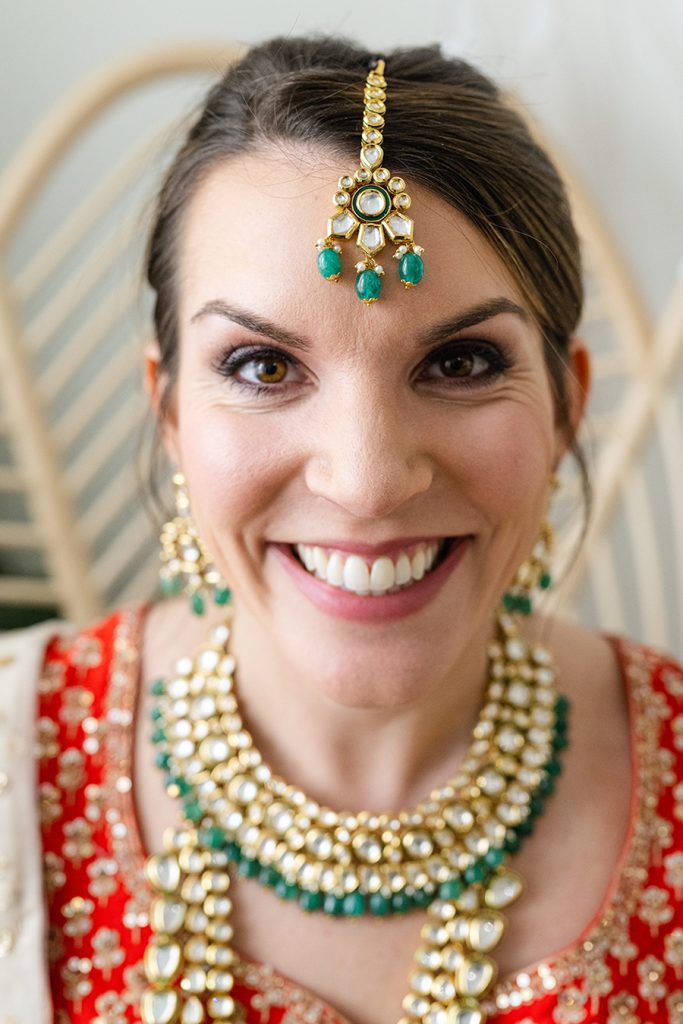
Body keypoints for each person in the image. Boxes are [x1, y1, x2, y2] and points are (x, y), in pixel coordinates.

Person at [1, 35, 681, 1024]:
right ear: (170, 411)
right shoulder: (14, 764)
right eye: (264, 367)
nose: (366, 482)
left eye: (458, 363)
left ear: (566, 408)